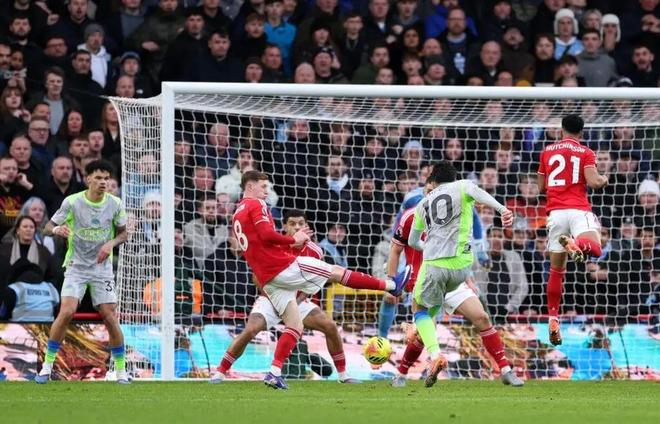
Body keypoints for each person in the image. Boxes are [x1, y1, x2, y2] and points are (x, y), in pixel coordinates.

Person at [231, 170, 411, 390]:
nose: (266, 191)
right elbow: (266, 239)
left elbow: (266, 251)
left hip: (284, 288)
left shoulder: (239, 213)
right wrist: (293, 241)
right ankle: (391, 285)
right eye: (263, 186)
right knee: (335, 272)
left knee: (311, 325)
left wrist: (299, 295)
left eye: (301, 224)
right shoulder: (261, 213)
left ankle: (281, 373)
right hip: (276, 281)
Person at [406, 161, 523, 388]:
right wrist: (502, 209)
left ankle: (435, 355)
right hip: (461, 268)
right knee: (480, 318)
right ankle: (506, 370)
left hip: (434, 268)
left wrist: (428, 247)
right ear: (454, 177)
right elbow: (480, 195)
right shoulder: (463, 186)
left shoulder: (422, 204)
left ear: (433, 181)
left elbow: (412, 241)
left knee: (419, 312)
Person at [210, 209, 359, 384]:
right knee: (250, 330)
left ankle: (343, 375)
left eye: (301, 223)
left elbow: (314, 282)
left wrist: (297, 301)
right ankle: (220, 372)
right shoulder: (274, 246)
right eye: (292, 224)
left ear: (306, 226)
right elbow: (257, 277)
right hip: (271, 299)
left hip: (298, 300)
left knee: (330, 326)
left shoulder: (315, 251)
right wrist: (275, 299)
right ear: (285, 227)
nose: (297, 227)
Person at [34, 160, 129, 384]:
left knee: (109, 316)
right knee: (67, 312)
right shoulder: (72, 202)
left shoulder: (115, 203)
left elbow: (124, 233)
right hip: (76, 266)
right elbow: (46, 228)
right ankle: (47, 367)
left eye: (106, 178)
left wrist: (110, 244)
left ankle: (121, 370)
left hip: (102, 269)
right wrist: (58, 229)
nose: (103, 182)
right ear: (88, 179)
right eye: (98, 178)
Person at [537, 114, 609, 346]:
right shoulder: (585, 152)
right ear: (582, 132)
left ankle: (553, 318)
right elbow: (594, 182)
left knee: (556, 271)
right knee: (595, 249)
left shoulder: (547, 151)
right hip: (578, 210)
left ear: (562, 129)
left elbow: (541, 187)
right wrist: (604, 178)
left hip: (555, 214)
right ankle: (576, 244)